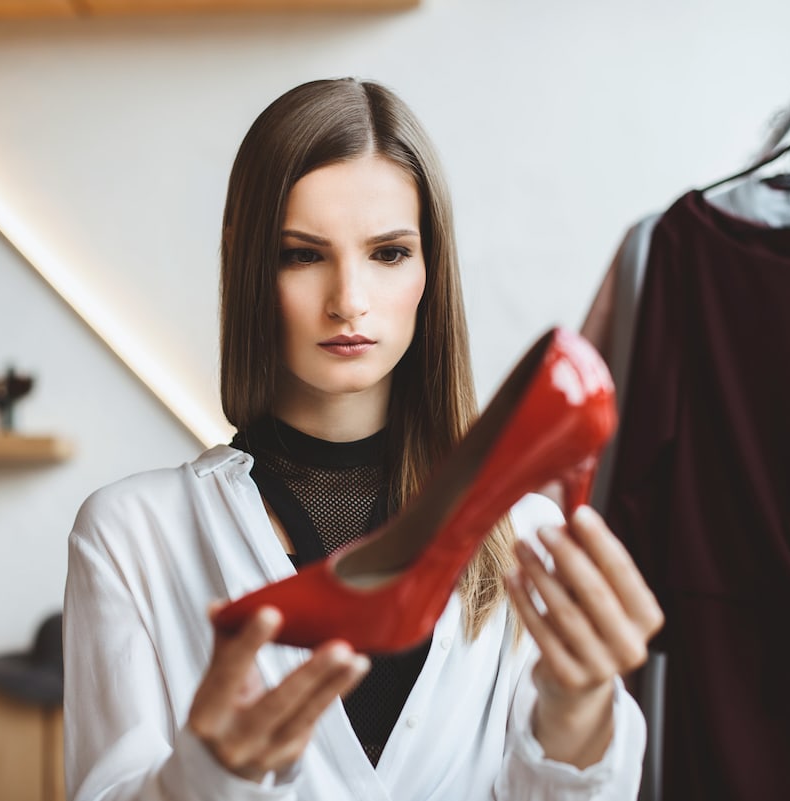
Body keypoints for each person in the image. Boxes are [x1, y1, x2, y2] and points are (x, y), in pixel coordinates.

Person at [63, 77, 664, 801]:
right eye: (302, 255)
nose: (349, 300)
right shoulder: (133, 533)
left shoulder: (526, 543)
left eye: (387, 253)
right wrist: (209, 775)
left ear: (429, 269)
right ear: (248, 265)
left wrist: (577, 707)